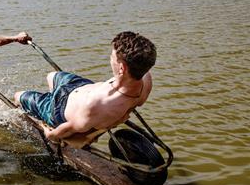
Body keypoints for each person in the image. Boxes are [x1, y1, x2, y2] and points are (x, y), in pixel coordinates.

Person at [14, 31, 156, 143]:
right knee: (51, 75)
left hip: (58, 108)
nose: (110, 59)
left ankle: (42, 110)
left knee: (18, 96)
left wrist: (47, 132)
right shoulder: (145, 77)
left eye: (112, 57)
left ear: (122, 68)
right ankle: (50, 97)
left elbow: (58, 134)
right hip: (80, 86)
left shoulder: (98, 105)